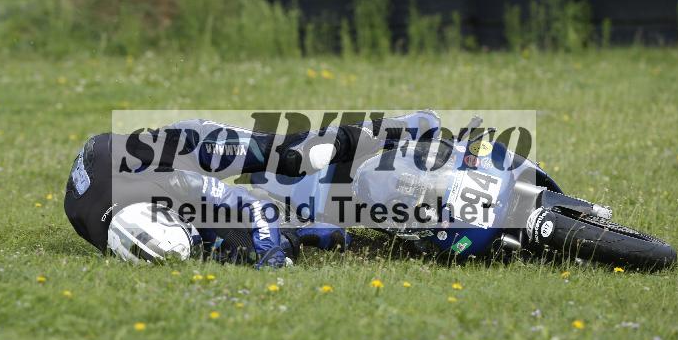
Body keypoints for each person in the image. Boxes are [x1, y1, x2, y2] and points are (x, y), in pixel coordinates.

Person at [64, 111, 440, 267]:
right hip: (122, 178)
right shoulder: (112, 235)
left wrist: (267, 250)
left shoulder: (170, 184)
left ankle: (402, 127)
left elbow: (244, 203)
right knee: (239, 247)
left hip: (186, 152)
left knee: (298, 156)